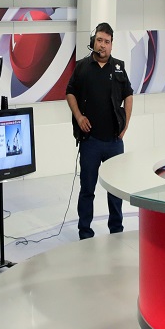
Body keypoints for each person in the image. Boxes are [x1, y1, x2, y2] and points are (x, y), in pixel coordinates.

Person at [65, 23, 134, 239]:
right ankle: (85, 232)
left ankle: (116, 231)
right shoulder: (82, 67)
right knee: (87, 189)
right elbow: (70, 92)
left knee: (115, 191)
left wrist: (126, 125)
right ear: (93, 41)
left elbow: (129, 95)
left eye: (106, 41)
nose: (102, 45)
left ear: (112, 44)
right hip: (90, 142)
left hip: (114, 141)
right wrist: (78, 116)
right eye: (99, 40)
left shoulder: (119, 68)